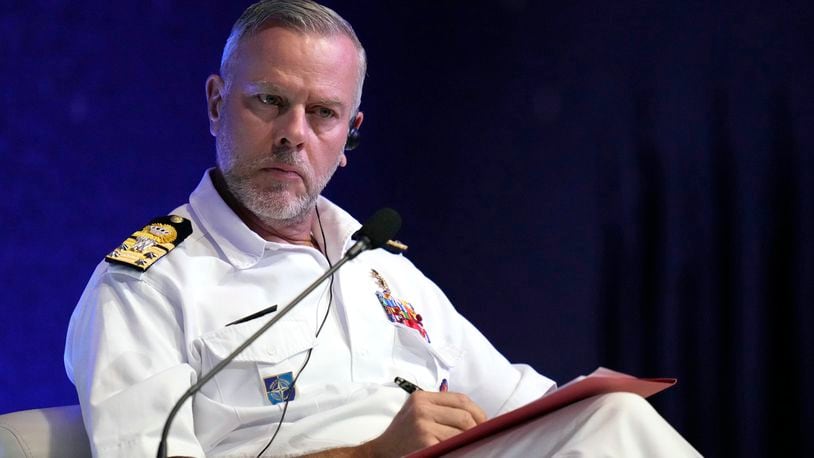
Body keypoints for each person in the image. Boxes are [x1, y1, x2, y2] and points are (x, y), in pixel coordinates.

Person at [64, 1, 701, 457]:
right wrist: (375, 455)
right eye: (269, 101)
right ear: (215, 103)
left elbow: (523, 403)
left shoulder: (376, 265)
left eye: (323, 114)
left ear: (349, 137)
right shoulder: (145, 286)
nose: (294, 134)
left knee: (609, 414)